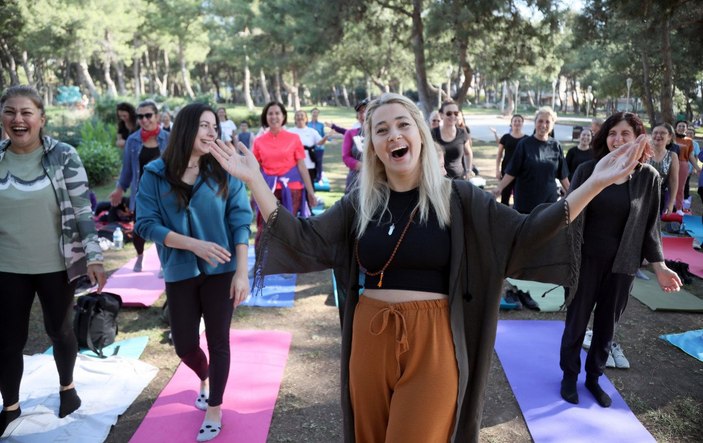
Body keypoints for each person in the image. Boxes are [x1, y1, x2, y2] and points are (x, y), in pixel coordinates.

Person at [210, 92, 652, 442]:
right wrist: (253, 181)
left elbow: (527, 232)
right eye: (381, 129)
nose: (393, 134)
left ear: (420, 134)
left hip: (435, 340)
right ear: (375, 148)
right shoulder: (360, 204)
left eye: (403, 124)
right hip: (369, 337)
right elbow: (305, 240)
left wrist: (594, 183)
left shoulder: (461, 199)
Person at [135, 103, 251, 442]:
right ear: (186, 129)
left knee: (219, 341)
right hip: (179, 270)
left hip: (222, 270)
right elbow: (145, 224)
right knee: (184, 345)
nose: (211, 131)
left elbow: (241, 221)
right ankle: (204, 378)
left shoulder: (224, 170)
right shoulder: (155, 173)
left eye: (214, 125)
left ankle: (215, 407)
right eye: (203, 125)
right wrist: (192, 245)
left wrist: (241, 273)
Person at [0, 85, 107, 435]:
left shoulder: (63, 156)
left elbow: (82, 210)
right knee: (8, 340)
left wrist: (93, 256)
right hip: (7, 266)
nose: (18, 119)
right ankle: (10, 405)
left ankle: (67, 389)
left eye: (26, 112)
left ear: (41, 119)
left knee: (59, 331)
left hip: (56, 264)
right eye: (10, 112)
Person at [559, 112, 681, 408]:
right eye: (613, 133)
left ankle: (593, 378)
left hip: (622, 265)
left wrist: (660, 266)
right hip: (585, 261)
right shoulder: (588, 171)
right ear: (605, 137)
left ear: (639, 138)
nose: (618, 140)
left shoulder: (648, 177)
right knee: (576, 322)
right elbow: (567, 214)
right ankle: (568, 377)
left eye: (626, 134)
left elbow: (650, 226)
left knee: (606, 326)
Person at [109, 100, 169, 272]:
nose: (144, 120)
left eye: (148, 115)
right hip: (141, 194)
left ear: (156, 116)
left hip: (164, 193)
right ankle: (140, 256)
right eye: (140, 116)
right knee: (139, 230)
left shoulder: (168, 138)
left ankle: (164, 265)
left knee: (164, 230)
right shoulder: (133, 141)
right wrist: (120, 189)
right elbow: (127, 169)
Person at [251, 101, 316, 247]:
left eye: (277, 113)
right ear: (265, 117)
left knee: (287, 227)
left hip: (292, 189)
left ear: (283, 116)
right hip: (267, 190)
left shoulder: (294, 138)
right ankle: (263, 264)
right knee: (265, 226)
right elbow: (255, 169)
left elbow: (301, 165)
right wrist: (252, 194)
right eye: (270, 113)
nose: (274, 117)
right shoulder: (259, 141)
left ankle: (287, 263)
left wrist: (311, 192)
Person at [493, 106, 570, 213]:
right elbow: (512, 171)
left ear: (552, 125)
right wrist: (499, 188)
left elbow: (563, 175)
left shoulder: (556, 146)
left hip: (548, 201)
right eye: (540, 121)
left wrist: (572, 194)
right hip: (526, 201)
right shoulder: (524, 144)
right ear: (535, 123)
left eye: (547, 122)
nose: (543, 125)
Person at [432, 100, 473, 179]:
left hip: (459, 179)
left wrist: (468, 170)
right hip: (439, 179)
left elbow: (468, 153)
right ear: (441, 115)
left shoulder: (462, 133)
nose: (453, 116)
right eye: (449, 113)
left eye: (456, 113)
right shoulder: (433, 133)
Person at [494, 114, 527, 205]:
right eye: (515, 121)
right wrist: (497, 170)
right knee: (505, 196)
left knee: (520, 197)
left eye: (519, 121)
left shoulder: (527, 139)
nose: (517, 123)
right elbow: (499, 155)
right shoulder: (505, 138)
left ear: (522, 123)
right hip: (506, 171)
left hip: (522, 172)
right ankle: (504, 217)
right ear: (511, 123)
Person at [289, 110, 328, 183]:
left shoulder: (312, 131)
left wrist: (327, 136)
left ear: (306, 119)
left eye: (302, 115)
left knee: (309, 185)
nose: (300, 117)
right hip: (294, 165)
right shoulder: (290, 131)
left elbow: (320, 142)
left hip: (309, 164)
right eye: (297, 115)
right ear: (294, 119)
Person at [648, 123, 679, 214]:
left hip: (659, 198)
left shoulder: (672, 156)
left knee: (653, 226)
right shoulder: (642, 151)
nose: (658, 135)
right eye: (655, 132)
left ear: (669, 137)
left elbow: (673, 181)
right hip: (638, 194)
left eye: (662, 133)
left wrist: (671, 202)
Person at [341, 98, 368, 193]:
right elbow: (346, 157)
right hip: (355, 182)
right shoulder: (351, 133)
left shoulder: (382, 134)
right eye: (360, 112)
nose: (363, 115)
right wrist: (365, 167)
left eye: (367, 111)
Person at [673, 121, 700, 212]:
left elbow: (690, 156)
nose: (681, 127)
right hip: (670, 163)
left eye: (683, 126)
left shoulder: (689, 141)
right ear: (676, 128)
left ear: (686, 128)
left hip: (683, 164)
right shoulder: (671, 138)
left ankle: (679, 208)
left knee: (680, 187)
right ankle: (667, 207)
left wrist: (697, 168)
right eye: (679, 126)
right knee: (668, 186)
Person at [308, 108, 327, 182]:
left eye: (316, 113)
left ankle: (319, 178)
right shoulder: (307, 124)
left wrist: (330, 139)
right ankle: (311, 176)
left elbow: (323, 135)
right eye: (314, 112)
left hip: (319, 147)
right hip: (310, 147)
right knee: (310, 162)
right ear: (311, 113)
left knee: (319, 162)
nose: (315, 114)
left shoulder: (321, 125)